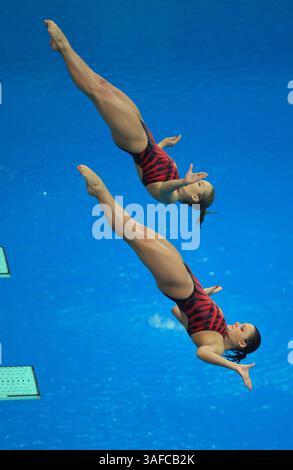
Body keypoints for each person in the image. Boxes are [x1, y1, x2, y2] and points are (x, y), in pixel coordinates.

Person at [77, 164, 261, 391]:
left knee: (131, 234)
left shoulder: (214, 345)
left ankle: (99, 191)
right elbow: (176, 312)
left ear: (241, 343)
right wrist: (203, 298)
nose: (238, 323)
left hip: (179, 284)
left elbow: (201, 353)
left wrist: (235, 368)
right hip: (186, 277)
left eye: (242, 328)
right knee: (137, 231)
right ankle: (99, 194)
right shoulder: (219, 325)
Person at [44, 20, 215, 224]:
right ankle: (62, 50)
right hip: (146, 134)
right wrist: (164, 144)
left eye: (201, 184)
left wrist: (182, 182)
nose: (198, 178)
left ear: (195, 197)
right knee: (102, 84)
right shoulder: (175, 177)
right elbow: (154, 164)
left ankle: (63, 46)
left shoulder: (170, 197)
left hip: (135, 142)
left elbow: (162, 187)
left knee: (96, 93)